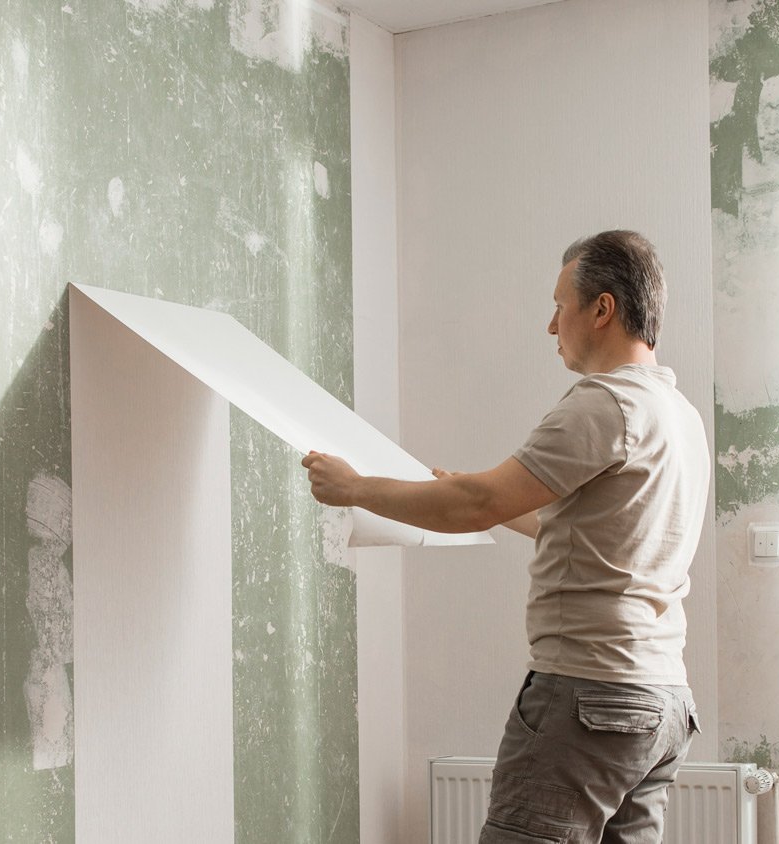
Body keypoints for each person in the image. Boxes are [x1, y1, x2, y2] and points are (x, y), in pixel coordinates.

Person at [303, 230, 709, 844]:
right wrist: (483, 500)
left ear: (601, 309)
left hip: (588, 695)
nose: (552, 326)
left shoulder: (605, 405)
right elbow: (569, 525)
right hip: (660, 702)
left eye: (559, 305)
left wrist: (358, 488)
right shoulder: (677, 415)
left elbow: (478, 502)